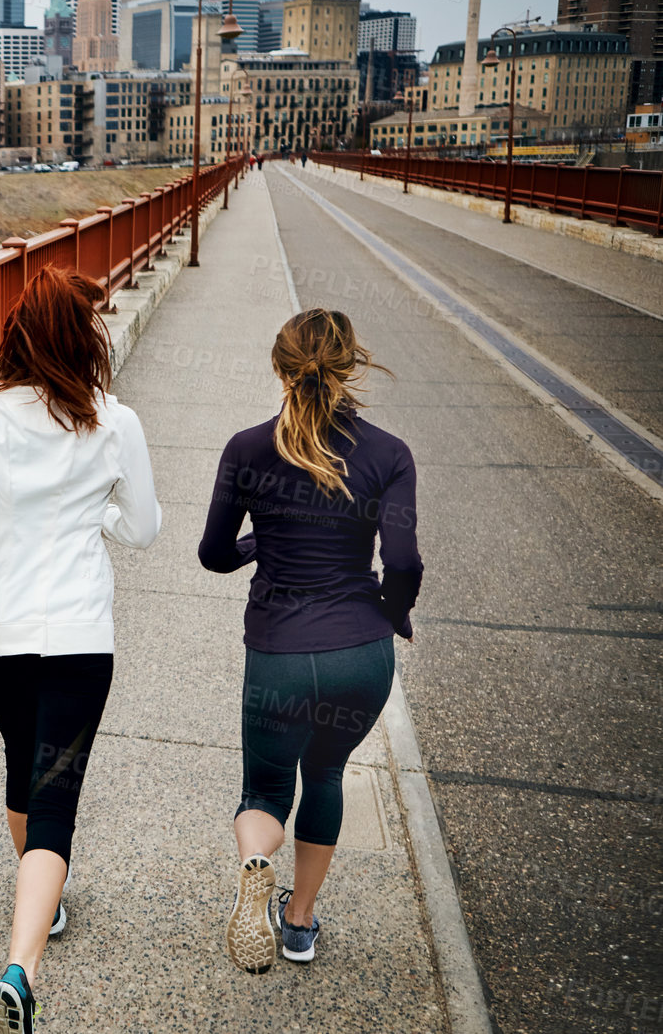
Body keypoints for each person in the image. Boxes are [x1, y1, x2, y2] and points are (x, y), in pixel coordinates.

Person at [0, 266, 161, 1034]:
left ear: (15, 337)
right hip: (79, 638)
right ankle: (20, 968)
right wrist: (95, 518)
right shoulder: (114, 421)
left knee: (22, 764)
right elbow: (144, 526)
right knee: (56, 792)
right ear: (84, 340)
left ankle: (39, 906)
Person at [198, 309, 422, 973]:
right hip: (360, 651)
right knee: (323, 772)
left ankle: (254, 862)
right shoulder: (388, 453)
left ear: (279, 367)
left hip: (278, 655)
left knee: (265, 789)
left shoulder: (246, 447)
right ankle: (298, 924)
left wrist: (256, 542)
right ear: (350, 364)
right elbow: (404, 562)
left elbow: (212, 554)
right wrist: (392, 611)